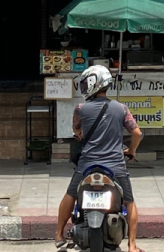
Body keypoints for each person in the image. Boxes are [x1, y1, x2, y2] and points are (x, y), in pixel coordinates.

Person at [56, 65, 143, 252]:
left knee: (71, 194)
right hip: (115, 166)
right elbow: (137, 133)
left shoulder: (81, 109)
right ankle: (133, 245)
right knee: (129, 201)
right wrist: (131, 150)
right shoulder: (121, 108)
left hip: (87, 165)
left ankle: (58, 234)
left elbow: (77, 132)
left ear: (93, 84)